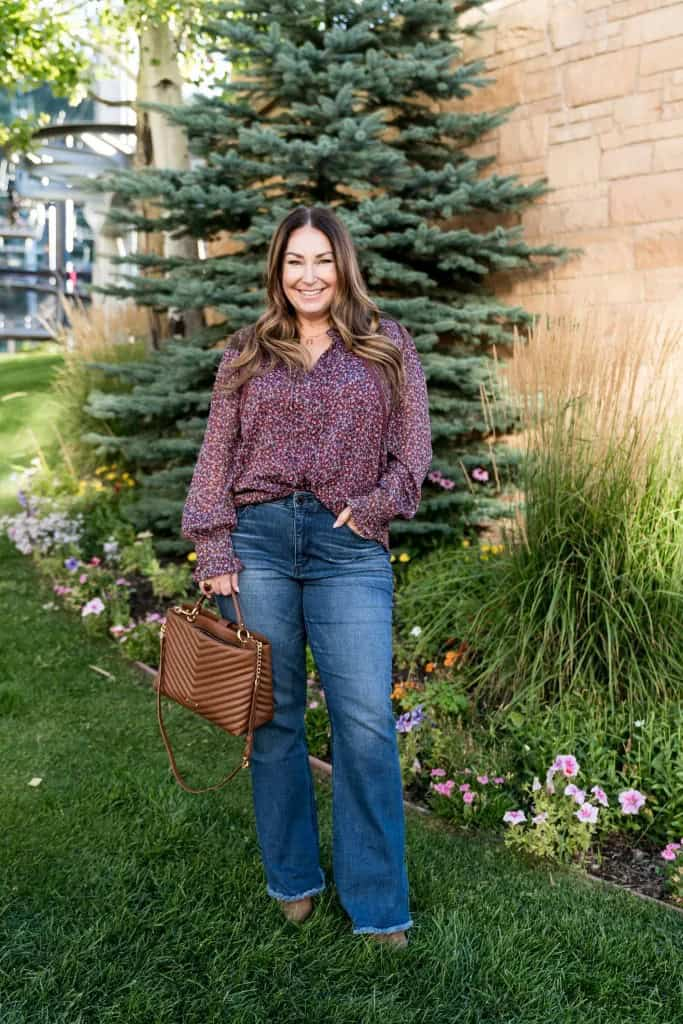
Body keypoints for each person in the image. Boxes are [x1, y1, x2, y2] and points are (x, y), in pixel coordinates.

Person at [181, 204, 432, 948]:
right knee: (274, 719)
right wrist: (214, 548)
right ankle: (293, 877)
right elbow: (215, 455)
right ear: (277, 270)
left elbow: (412, 451)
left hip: (346, 549)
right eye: (295, 261)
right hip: (258, 542)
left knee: (362, 725)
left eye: (322, 260)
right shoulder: (246, 350)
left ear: (342, 266)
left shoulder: (387, 345)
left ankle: (378, 901)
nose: (309, 275)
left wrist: (375, 507)